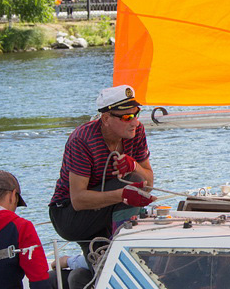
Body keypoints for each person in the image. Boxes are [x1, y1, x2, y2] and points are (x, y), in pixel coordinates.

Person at [49, 85, 155, 256]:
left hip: (105, 209)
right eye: (127, 117)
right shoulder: (82, 140)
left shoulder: (137, 132)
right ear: (106, 118)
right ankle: (124, 245)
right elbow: (78, 200)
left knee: (100, 269)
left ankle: (86, 270)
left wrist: (134, 165)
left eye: (136, 114)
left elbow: (148, 184)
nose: (135, 122)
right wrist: (123, 195)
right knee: (132, 179)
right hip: (69, 216)